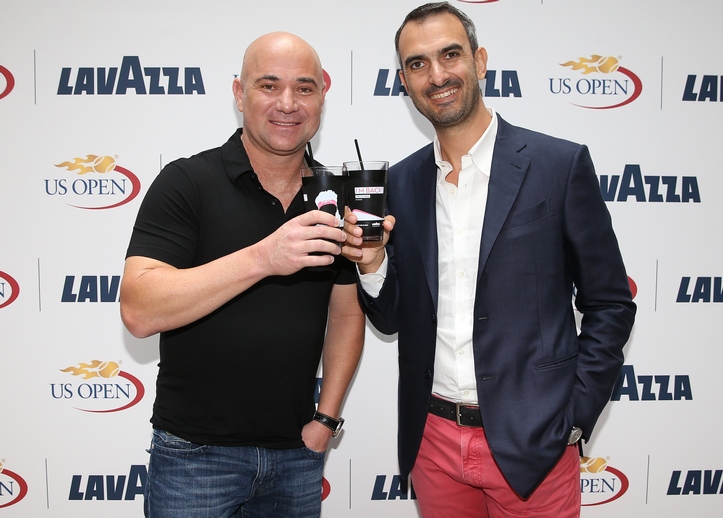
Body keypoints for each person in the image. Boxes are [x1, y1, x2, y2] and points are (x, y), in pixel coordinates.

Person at [341, 3, 636, 517]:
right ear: (404, 82)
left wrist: (573, 417)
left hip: (535, 444)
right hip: (433, 441)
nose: (437, 75)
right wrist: (371, 264)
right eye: (417, 64)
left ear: (479, 61)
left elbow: (610, 303)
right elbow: (391, 319)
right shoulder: (401, 183)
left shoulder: (558, 165)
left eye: (450, 54)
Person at [120, 32, 364, 518]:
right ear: (239, 93)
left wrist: (326, 419)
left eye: (304, 88)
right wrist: (264, 258)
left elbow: (345, 313)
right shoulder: (187, 181)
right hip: (195, 456)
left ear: (322, 96)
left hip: (297, 454)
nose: (288, 104)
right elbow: (139, 310)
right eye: (269, 86)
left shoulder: (336, 197)